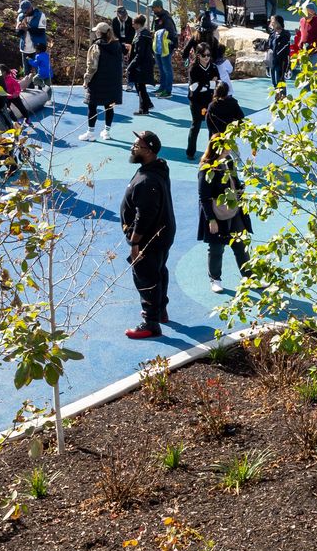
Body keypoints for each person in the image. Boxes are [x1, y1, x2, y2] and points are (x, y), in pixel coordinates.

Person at [120, 131, 175, 339]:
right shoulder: (157, 168)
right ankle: (161, 310)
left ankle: (150, 323)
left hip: (149, 239)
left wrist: (135, 243)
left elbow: (145, 216)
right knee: (159, 270)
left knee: (146, 277)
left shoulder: (147, 181)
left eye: (137, 146)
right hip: (162, 234)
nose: (133, 148)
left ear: (149, 151)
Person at [198, 148, 250, 294]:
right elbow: (204, 197)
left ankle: (249, 277)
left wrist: (240, 189)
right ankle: (215, 279)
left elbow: (235, 181)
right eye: (225, 149)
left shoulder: (228, 161)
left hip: (234, 210)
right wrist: (211, 220)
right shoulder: (206, 168)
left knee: (240, 244)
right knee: (216, 248)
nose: (228, 151)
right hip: (217, 212)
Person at [83, 21, 125, 142]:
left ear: (98, 32)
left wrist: (86, 80)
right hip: (113, 82)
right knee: (109, 107)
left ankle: (90, 132)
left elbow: (92, 66)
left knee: (92, 106)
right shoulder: (117, 46)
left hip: (98, 81)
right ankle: (106, 131)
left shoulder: (96, 47)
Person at [183, 40, 220, 159]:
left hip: (210, 100)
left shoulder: (213, 67)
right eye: (204, 55)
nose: (207, 58)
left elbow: (217, 83)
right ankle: (190, 152)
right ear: (198, 55)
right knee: (196, 125)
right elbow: (194, 88)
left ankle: (211, 153)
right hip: (196, 101)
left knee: (212, 127)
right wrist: (209, 84)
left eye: (209, 55)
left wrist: (204, 85)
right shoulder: (193, 68)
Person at [128, 15, 156, 115]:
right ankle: (147, 104)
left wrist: (131, 65)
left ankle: (143, 109)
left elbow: (140, 54)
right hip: (143, 63)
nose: (132, 24)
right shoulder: (143, 34)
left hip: (141, 65)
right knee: (139, 85)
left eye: (133, 23)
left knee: (140, 86)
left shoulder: (141, 36)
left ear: (138, 24)